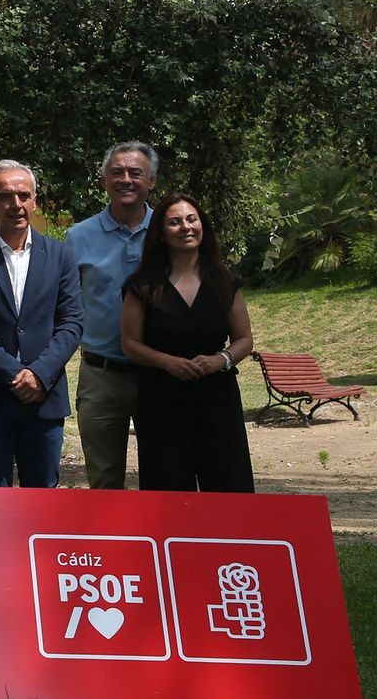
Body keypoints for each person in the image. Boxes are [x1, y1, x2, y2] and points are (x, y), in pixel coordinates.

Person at [0, 160, 82, 488]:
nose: (16, 204)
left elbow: (72, 322)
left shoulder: (61, 256)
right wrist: (14, 374)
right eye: (6, 196)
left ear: (35, 201)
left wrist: (39, 374)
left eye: (24, 195)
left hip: (44, 397)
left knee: (43, 499)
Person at [121, 194, 256, 492]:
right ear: (160, 233)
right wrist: (166, 362)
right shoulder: (142, 285)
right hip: (162, 400)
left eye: (191, 219)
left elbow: (244, 340)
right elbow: (129, 343)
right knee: (168, 487)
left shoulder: (224, 281)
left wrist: (219, 360)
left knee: (228, 486)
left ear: (202, 225)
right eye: (175, 222)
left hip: (217, 398)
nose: (186, 227)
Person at [65, 141, 158, 490]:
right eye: (116, 172)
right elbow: (68, 306)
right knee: (103, 480)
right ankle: (110, 546)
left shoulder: (170, 230)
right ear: (104, 180)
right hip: (102, 374)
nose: (126, 179)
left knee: (164, 473)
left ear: (151, 181)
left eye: (136, 173)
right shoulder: (78, 236)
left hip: (159, 374)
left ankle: (157, 545)